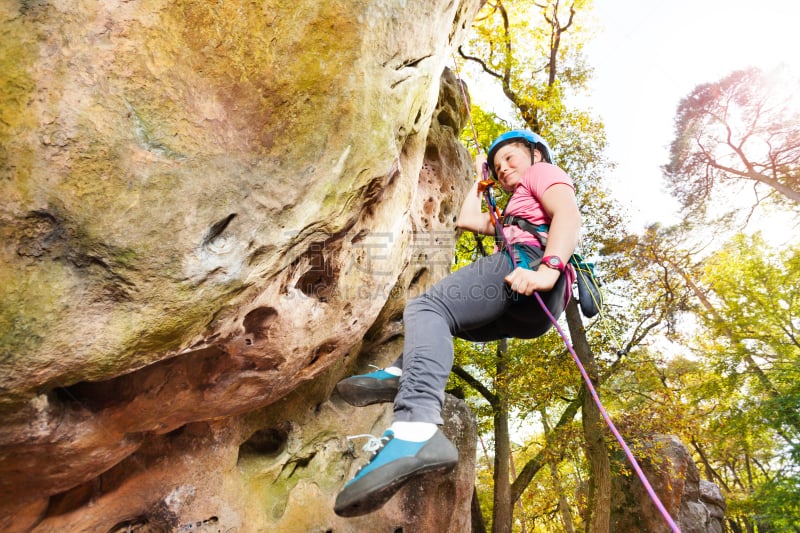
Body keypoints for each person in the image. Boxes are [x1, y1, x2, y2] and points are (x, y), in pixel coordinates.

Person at [333, 130, 581, 517]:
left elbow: (568, 214)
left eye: (511, 158)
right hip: (526, 303)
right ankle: (404, 371)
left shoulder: (542, 172)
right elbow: (466, 219)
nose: (504, 168)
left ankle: (415, 430)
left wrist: (549, 270)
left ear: (533, 154)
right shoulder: (510, 209)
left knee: (426, 310)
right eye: (498, 166)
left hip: (530, 267)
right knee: (438, 326)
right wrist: (480, 181)